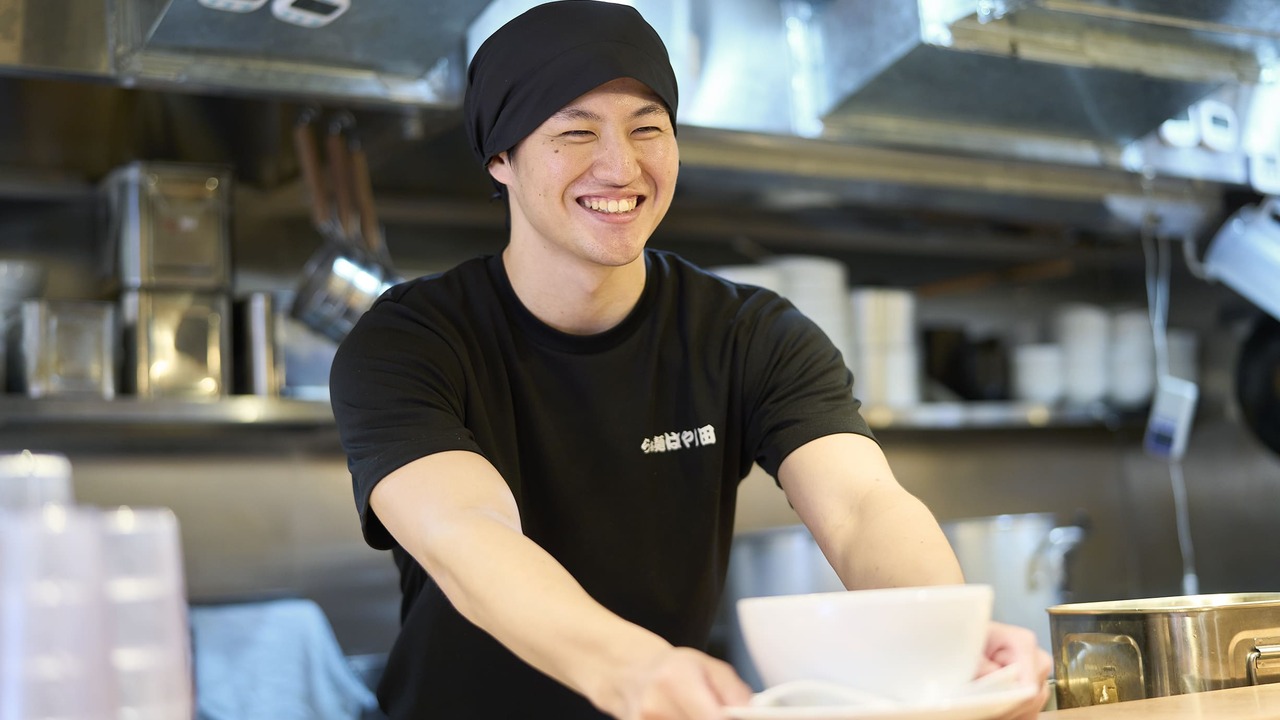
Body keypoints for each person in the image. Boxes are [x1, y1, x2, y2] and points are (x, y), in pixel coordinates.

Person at [328, 1, 1052, 718]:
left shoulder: (748, 334)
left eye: (649, 129)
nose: (621, 166)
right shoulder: (408, 343)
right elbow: (467, 533)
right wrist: (633, 672)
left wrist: (946, 635)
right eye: (575, 133)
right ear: (500, 158)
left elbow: (860, 505)